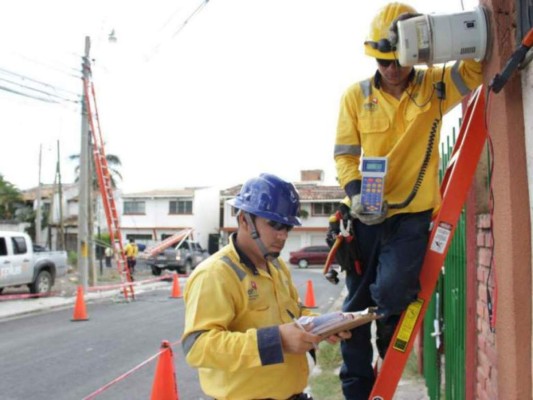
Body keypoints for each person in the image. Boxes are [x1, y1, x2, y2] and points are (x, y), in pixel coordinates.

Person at [333, 2, 484, 399]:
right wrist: (353, 195)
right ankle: (356, 390)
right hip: (366, 217)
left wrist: (434, 40)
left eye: (397, 59)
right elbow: (346, 156)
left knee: (392, 292)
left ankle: (388, 355)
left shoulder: (434, 85)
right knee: (354, 308)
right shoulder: (356, 97)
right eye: (382, 61)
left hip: (411, 219)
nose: (391, 69)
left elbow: (475, 68)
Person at [181, 173, 350, 400]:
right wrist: (277, 340)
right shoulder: (215, 274)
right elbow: (197, 348)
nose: (282, 235)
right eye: (274, 224)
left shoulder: (277, 266)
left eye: (287, 227)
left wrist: (324, 325)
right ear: (243, 220)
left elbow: (294, 314)